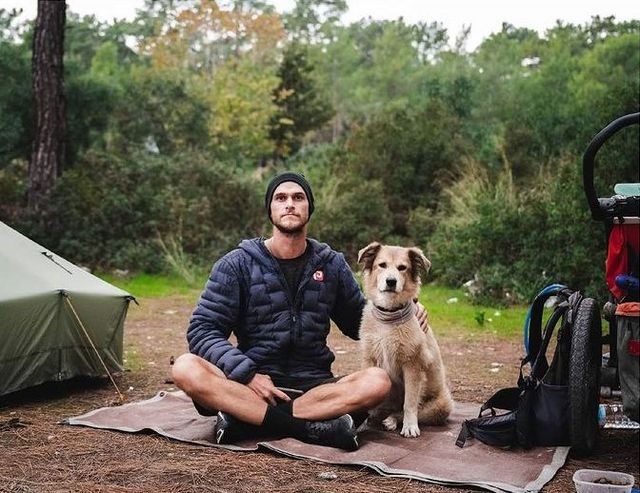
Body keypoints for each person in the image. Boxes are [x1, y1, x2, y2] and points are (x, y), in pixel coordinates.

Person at [172, 171, 427, 450]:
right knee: (185, 367)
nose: (290, 204)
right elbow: (202, 330)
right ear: (270, 209)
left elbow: (360, 321)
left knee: (377, 381)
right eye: (281, 198)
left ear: (309, 208)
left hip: (315, 388)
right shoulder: (236, 265)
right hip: (250, 386)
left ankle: (246, 420)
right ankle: (310, 428)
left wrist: (403, 309)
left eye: (298, 197)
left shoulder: (331, 264)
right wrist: (247, 374)